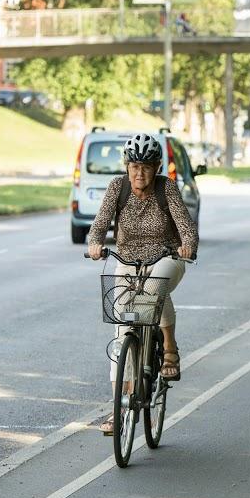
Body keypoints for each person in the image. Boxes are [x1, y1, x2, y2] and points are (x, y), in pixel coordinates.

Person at [87, 133, 197, 433]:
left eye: (146, 167)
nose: (139, 173)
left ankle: (170, 349)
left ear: (157, 166)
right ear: (126, 166)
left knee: (154, 288)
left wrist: (187, 245)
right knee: (122, 331)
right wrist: (96, 244)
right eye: (134, 166)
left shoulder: (167, 189)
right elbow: (98, 226)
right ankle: (116, 408)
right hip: (127, 259)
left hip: (166, 256)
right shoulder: (117, 188)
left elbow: (187, 229)